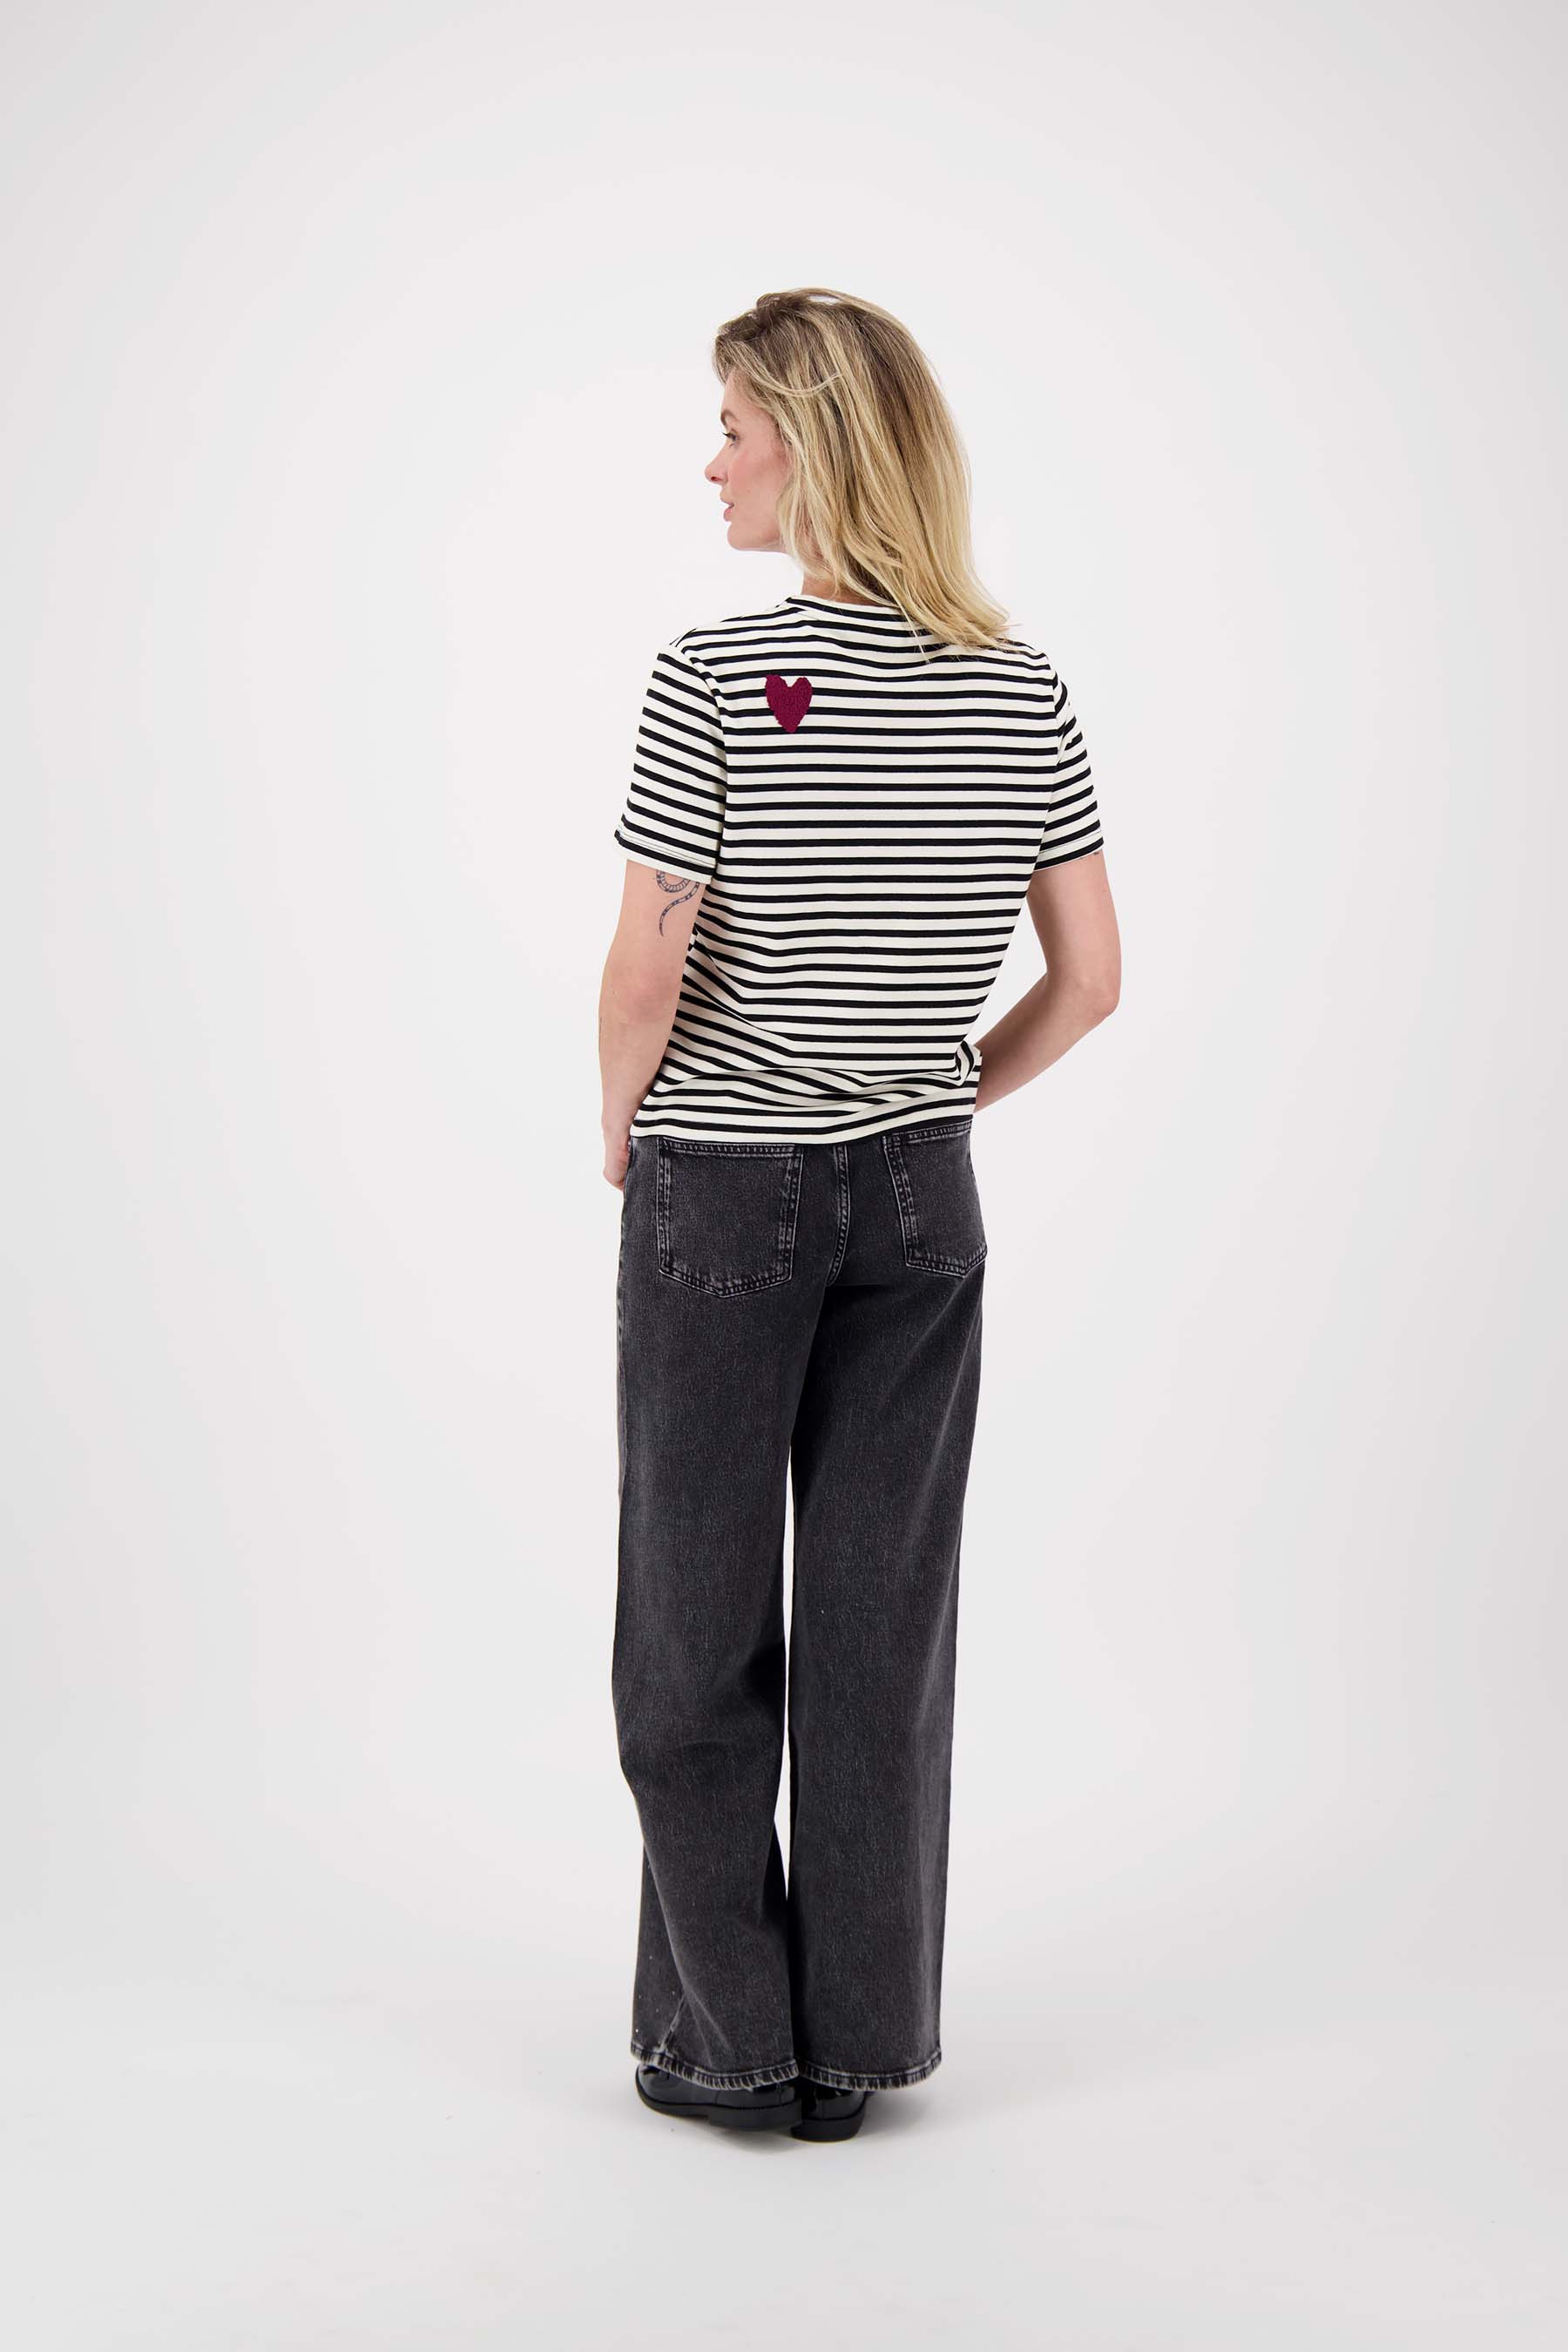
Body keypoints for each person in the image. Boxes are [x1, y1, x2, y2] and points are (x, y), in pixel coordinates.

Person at [598, 287, 1120, 2143]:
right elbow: (1092, 983)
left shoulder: (715, 674)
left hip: (726, 1185)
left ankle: (730, 2047)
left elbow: (650, 965)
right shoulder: (1020, 684)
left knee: (691, 1633)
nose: (714, 464)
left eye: (736, 429)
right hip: (923, 1198)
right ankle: (859, 2050)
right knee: (883, 1635)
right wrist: (937, 1097)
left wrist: (617, 1122)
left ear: (813, 450)